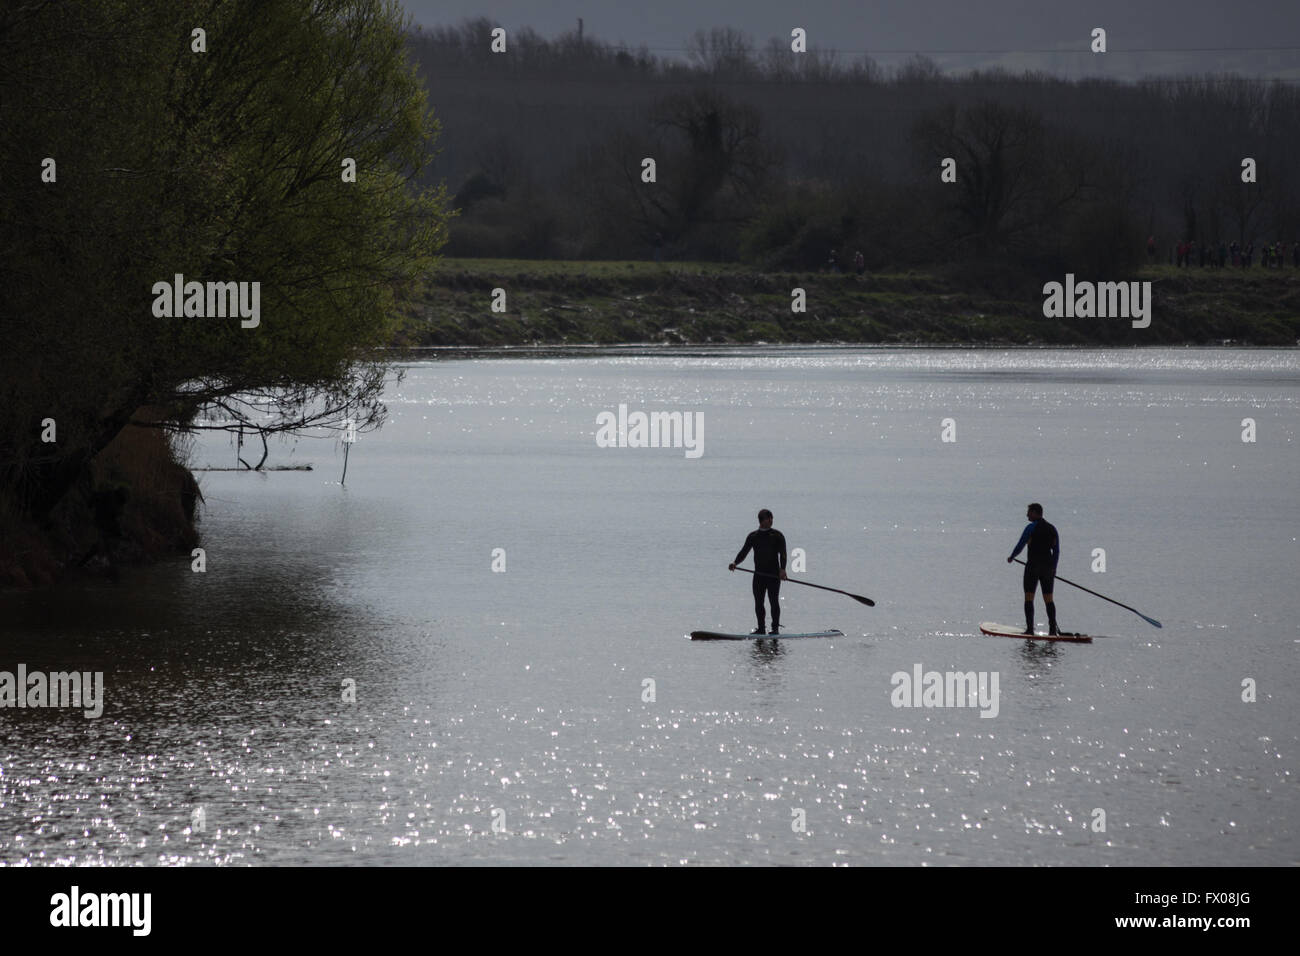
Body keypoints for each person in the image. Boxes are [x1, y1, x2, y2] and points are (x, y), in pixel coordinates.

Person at [730, 509, 788, 634]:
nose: (771, 521)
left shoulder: (777, 535)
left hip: (773, 575)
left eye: (772, 518)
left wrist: (783, 569)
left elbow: (783, 553)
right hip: (759, 575)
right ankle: (761, 629)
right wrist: (735, 563)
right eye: (769, 519)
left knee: (774, 601)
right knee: (759, 602)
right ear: (762, 521)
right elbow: (744, 551)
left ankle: (775, 629)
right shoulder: (753, 536)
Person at [1006, 502, 1060, 636]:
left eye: (1029, 512)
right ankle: (1052, 630)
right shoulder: (1052, 529)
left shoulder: (1031, 528)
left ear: (1036, 513)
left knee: (1029, 598)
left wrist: (1012, 556)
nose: (1027, 515)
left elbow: (1021, 544)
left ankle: (1030, 629)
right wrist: (1053, 568)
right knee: (1049, 599)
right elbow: (1056, 551)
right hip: (1047, 568)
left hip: (1033, 567)